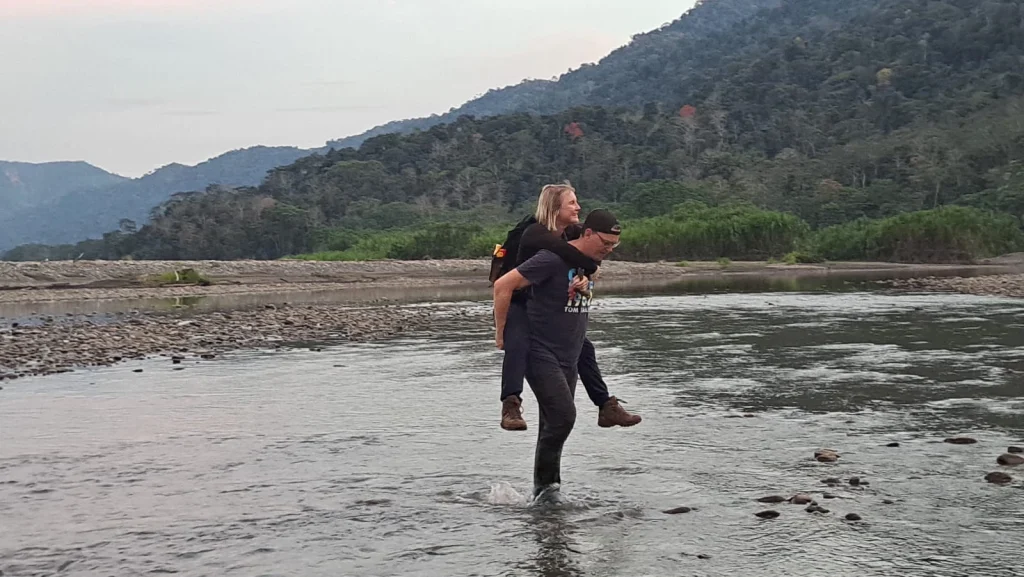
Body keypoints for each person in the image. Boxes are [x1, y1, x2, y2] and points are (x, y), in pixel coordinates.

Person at [492, 208, 624, 502]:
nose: (609, 250)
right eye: (605, 243)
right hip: (540, 350)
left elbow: (577, 297)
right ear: (587, 233)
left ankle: (545, 491)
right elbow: (503, 285)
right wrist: (501, 332)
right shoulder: (550, 258)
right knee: (564, 417)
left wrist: (586, 283)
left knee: (553, 422)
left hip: (569, 351)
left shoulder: (585, 265)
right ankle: (547, 490)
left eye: (614, 246)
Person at [492, 182, 640, 432]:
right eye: (571, 202)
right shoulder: (534, 232)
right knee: (516, 343)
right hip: (517, 298)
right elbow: (565, 254)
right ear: (553, 206)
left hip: (540, 300)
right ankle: (511, 404)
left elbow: (579, 253)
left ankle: (605, 405)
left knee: (584, 347)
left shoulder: (571, 231)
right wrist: (500, 329)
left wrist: (585, 275)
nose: (578, 207)